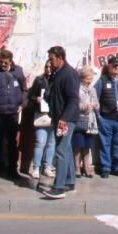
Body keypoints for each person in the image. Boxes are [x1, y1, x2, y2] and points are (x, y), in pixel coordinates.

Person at [41, 45, 79, 199]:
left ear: (60, 58)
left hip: (66, 119)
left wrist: (64, 119)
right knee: (67, 148)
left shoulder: (70, 74)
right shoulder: (57, 73)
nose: (50, 62)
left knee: (61, 151)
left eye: (52, 59)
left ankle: (59, 187)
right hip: (58, 117)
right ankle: (69, 180)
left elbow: (73, 99)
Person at [0, 48, 26, 178]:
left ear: (11, 61)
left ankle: (12, 169)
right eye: (1, 62)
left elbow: (24, 90)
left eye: (6, 63)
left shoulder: (18, 71)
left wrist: (22, 104)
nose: (3, 65)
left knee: (12, 142)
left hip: (13, 112)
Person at [94, 55, 118, 178]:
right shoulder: (102, 81)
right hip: (106, 118)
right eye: (114, 65)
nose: (116, 67)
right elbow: (95, 98)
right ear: (108, 67)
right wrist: (99, 117)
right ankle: (105, 168)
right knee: (105, 144)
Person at [28, 60, 56, 179]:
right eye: (46, 66)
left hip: (54, 115)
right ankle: (36, 167)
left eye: (50, 67)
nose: (48, 69)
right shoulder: (39, 80)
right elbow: (30, 96)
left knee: (51, 143)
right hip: (41, 114)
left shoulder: (57, 80)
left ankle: (47, 167)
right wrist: (36, 99)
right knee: (40, 142)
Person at [74, 65, 99, 178]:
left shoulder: (92, 89)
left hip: (90, 121)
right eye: (88, 78)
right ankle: (76, 168)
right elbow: (75, 105)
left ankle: (86, 168)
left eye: (91, 78)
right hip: (80, 119)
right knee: (78, 145)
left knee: (87, 147)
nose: (90, 81)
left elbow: (97, 102)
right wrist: (86, 106)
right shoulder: (77, 89)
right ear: (82, 78)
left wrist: (96, 105)